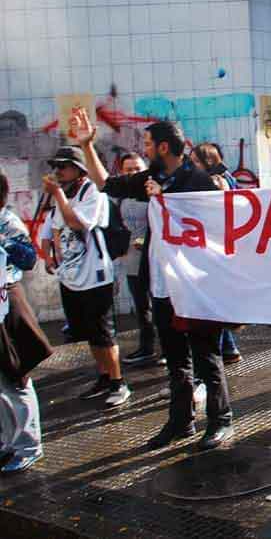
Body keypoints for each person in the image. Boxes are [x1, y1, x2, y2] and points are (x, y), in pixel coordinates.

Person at [72, 108, 233, 450]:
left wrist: (165, 199)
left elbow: (217, 227)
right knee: (176, 360)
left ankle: (221, 420)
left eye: (147, 144)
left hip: (195, 285)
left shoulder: (197, 181)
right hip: (162, 285)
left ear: (163, 147)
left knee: (205, 356)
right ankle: (180, 422)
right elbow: (106, 185)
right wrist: (88, 146)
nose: (143, 149)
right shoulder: (151, 177)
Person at [39, 146, 130, 409]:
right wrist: (48, 256)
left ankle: (118, 382)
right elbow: (50, 227)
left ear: (78, 169)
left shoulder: (93, 193)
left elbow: (77, 223)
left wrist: (56, 194)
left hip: (95, 277)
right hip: (70, 276)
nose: (58, 172)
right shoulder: (63, 195)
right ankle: (104, 376)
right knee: (88, 333)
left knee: (103, 333)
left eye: (63, 166)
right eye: (55, 167)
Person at [0, 170, 52, 473]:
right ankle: (8, 441)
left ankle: (29, 445)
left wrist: (3, 240)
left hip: (7, 304)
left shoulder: (7, 221)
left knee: (16, 376)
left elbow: (28, 258)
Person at [186, 147, 243, 364]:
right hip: (216, 252)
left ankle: (215, 357)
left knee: (213, 307)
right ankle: (226, 349)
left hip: (214, 254)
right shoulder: (221, 179)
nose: (191, 167)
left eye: (195, 162)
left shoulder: (215, 182)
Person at [114, 153, 157, 366]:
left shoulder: (153, 193)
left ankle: (170, 350)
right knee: (141, 306)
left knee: (161, 305)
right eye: (128, 169)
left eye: (137, 168)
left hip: (154, 257)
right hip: (132, 259)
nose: (132, 172)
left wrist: (147, 240)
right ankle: (146, 347)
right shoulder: (120, 196)